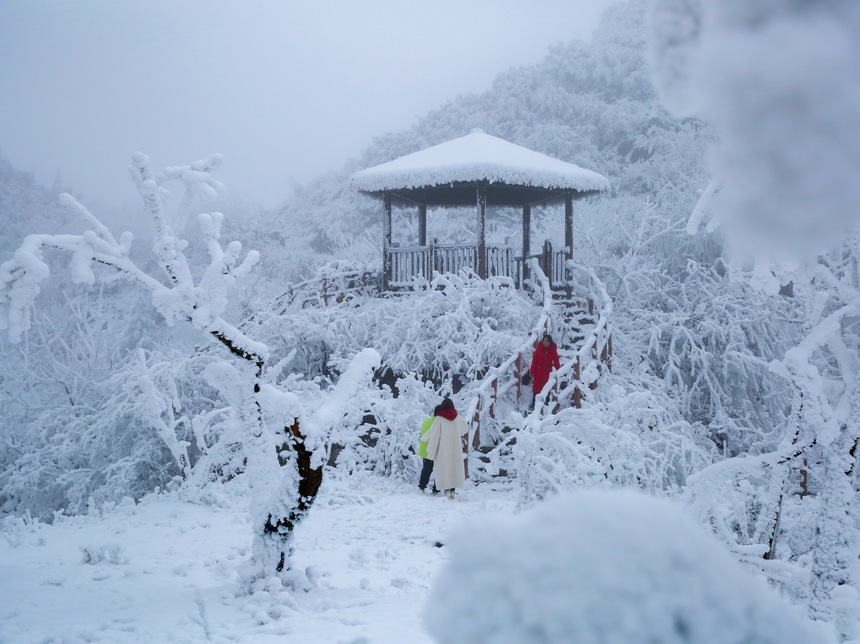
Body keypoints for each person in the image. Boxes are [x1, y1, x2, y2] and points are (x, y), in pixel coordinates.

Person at [423, 397, 469, 500]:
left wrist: (431, 450)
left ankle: (447, 491)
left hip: (443, 449)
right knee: (454, 469)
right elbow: (465, 429)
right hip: (455, 449)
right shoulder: (458, 417)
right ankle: (453, 490)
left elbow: (434, 435)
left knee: (444, 469)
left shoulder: (439, 419)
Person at [529, 333, 560, 408]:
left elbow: (556, 360)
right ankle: (534, 404)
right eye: (544, 341)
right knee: (537, 388)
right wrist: (532, 371)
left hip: (547, 372)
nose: (545, 342)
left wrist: (558, 370)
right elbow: (534, 361)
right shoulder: (539, 349)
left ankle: (546, 404)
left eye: (547, 341)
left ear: (550, 342)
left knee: (546, 387)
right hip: (538, 371)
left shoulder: (553, 350)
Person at [418, 405, 441, 494]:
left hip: (425, 451)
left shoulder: (427, 421)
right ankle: (436, 489)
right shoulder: (439, 424)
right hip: (436, 451)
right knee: (439, 470)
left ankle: (421, 486)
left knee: (426, 470)